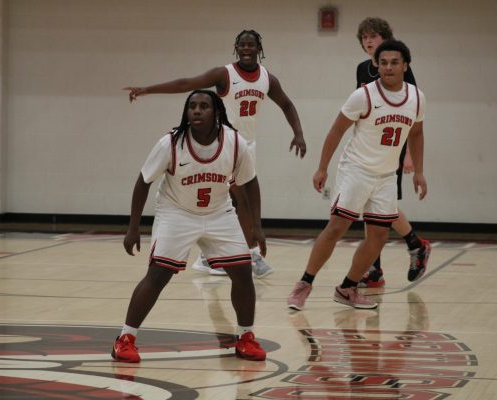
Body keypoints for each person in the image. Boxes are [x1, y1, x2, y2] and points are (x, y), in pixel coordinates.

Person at [124, 29, 306, 279]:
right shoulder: (224, 74)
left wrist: (298, 133)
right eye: (241, 45)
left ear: (258, 49)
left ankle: (215, 255)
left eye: (250, 45)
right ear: (236, 48)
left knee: (231, 202)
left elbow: (286, 104)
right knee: (239, 199)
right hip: (221, 144)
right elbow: (186, 84)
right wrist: (147, 89)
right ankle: (240, 253)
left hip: (246, 145)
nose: (245, 49)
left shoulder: (267, 79)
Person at [112, 90, 267, 362]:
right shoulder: (170, 143)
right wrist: (133, 227)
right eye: (192, 106)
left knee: (243, 271)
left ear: (216, 112)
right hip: (177, 212)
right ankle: (125, 338)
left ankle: (246, 337)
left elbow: (250, 182)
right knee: (159, 274)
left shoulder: (234, 142)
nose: (196, 111)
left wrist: (256, 225)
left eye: (203, 106)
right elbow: (143, 181)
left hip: (219, 212)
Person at [286, 40, 427, 311]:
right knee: (337, 226)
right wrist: (322, 167)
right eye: (382, 62)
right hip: (356, 170)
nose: (388, 67)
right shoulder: (363, 95)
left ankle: (347, 288)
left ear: (405, 65)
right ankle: (304, 283)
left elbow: (417, 133)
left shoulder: (417, 97)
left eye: (394, 62)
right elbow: (336, 130)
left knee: (378, 236)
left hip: (386, 176)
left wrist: (419, 171)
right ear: (376, 65)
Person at [355, 17, 431, 288]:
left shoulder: (400, 68)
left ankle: (414, 245)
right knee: (371, 205)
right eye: (364, 37)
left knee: (381, 206)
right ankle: (376, 267)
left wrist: (410, 155)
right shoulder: (362, 69)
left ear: (385, 38)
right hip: (369, 148)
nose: (368, 41)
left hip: (393, 147)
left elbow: (412, 115)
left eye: (373, 36)